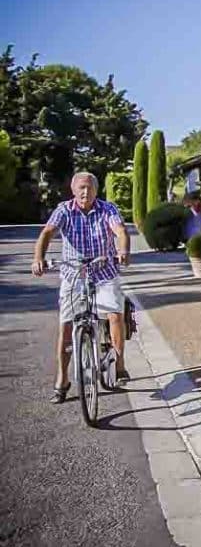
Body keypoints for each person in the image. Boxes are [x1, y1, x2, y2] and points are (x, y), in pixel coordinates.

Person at [31, 172, 131, 403]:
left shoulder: (107, 209)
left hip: (104, 271)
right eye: (81, 188)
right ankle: (62, 378)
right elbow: (47, 233)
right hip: (73, 274)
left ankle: (120, 365)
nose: (86, 192)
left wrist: (123, 250)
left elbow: (120, 231)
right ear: (73, 190)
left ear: (96, 190)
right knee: (66, 325)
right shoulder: (64, 210)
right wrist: (38, 258)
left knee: (115, 314)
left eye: (90, 188)